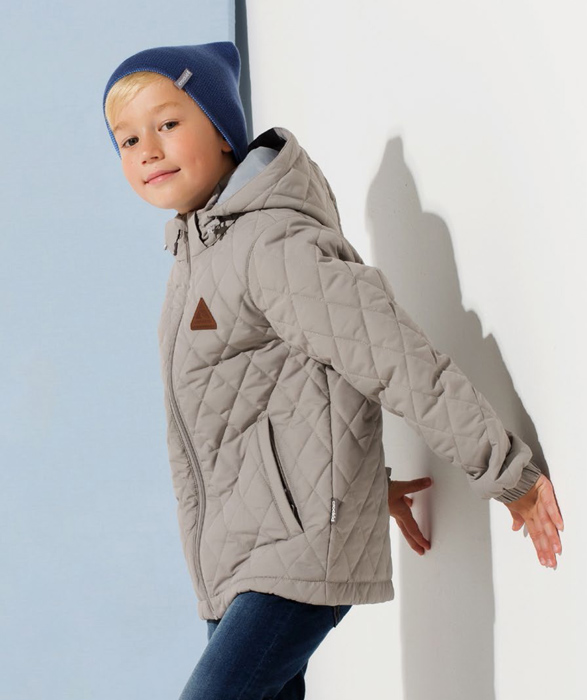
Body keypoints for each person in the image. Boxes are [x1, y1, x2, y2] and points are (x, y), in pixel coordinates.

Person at [102, 41, 564, 700]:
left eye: (168, 123)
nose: (147, 150)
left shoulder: (272, 242)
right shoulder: (197, 258)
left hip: (289, 554)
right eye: (127, 139)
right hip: (238, 562)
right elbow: (265, 401)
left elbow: (390, 355)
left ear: (223, 129)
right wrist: (363, 482)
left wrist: (506, 472)